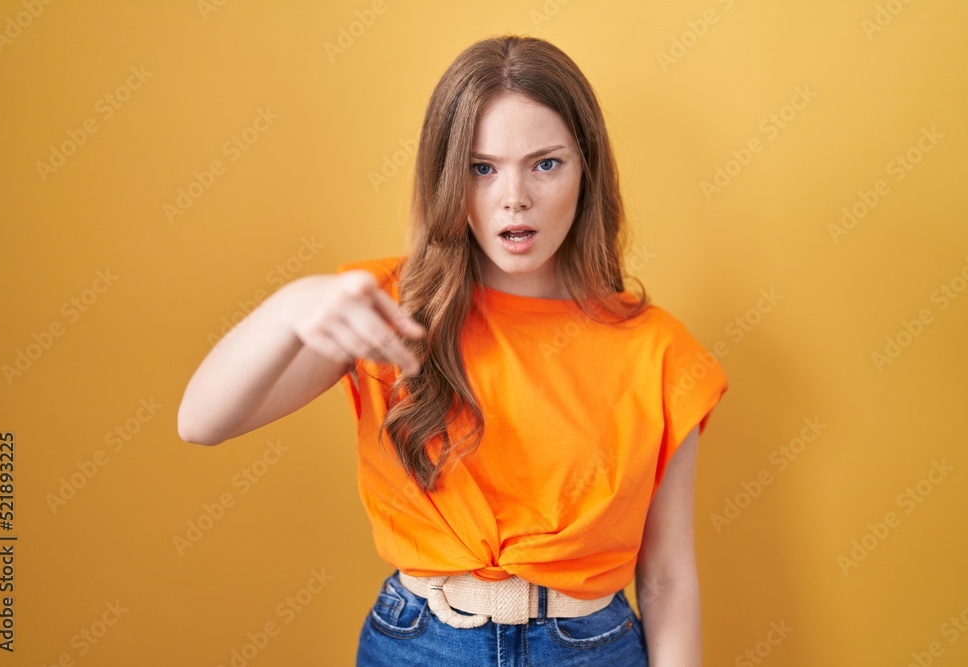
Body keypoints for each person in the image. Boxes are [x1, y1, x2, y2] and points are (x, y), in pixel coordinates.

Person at [178, 34, 728, 667]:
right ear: (446, 176)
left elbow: (666, 577)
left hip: (592, 649)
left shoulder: (660, 351)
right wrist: (293, 305)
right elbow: (201, 423)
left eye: (545, 163)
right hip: (419, 645)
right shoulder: (381, 309)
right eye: (481, 167)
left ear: (588, 169)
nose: (513, 196)